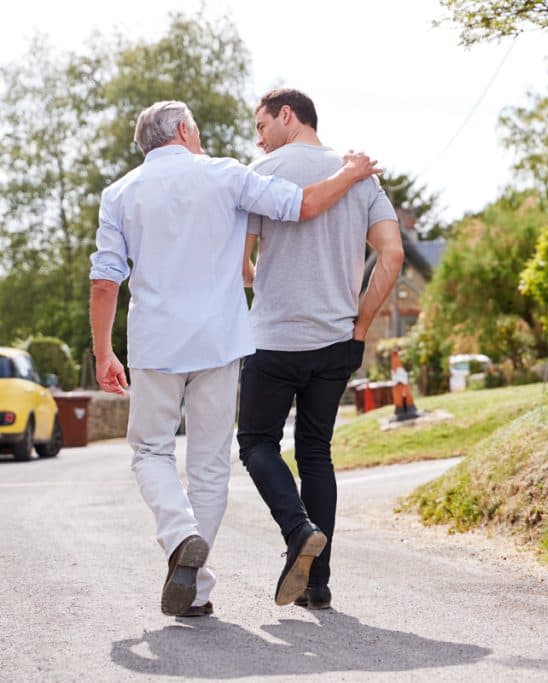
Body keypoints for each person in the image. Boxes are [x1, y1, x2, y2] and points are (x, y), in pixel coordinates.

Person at [89, 100, 380, 618]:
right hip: (221, 341)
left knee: (151, 451)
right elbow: (306, 205)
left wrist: (103, 350)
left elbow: (105, 280)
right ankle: (194, 586)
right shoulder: (227, 176)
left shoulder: (120, 194)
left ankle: (183, 543)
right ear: (183, 130)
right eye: (195, 129)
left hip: (156, 344)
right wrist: (351, 172)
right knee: (208, 466)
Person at [238, 88, 403, 610]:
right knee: (315, 454)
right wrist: (360, 325)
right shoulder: (359, 173)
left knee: (257, 443)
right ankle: (318, 584)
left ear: (287, 116)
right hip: (336, 342)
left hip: (273, 340)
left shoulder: (259, 173)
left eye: (261, 125)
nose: (258, 138)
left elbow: (238, 264)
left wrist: (264, 281)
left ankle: (297, 530)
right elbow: (393, 255)